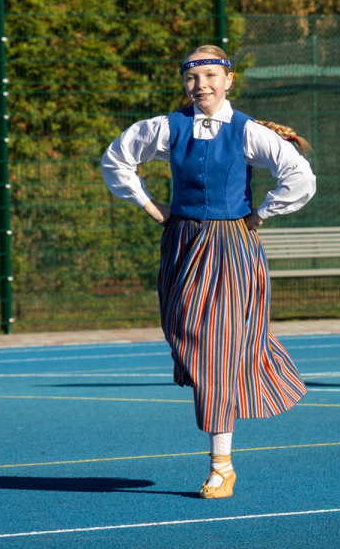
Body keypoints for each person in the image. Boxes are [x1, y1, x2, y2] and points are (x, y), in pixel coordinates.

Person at [101, 44, 316, 498]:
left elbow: (299, 177)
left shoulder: (247, 132)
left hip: (231, 246)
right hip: (181, 243)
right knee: (186, 336)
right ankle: (248, 358)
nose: (201, 87)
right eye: (193, 79)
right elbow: (117, 158)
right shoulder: (167, 128)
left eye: (211, 78)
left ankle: (222, 466)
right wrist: (147, 204)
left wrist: (258, 216)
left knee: (216, 347)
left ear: (229, 81)